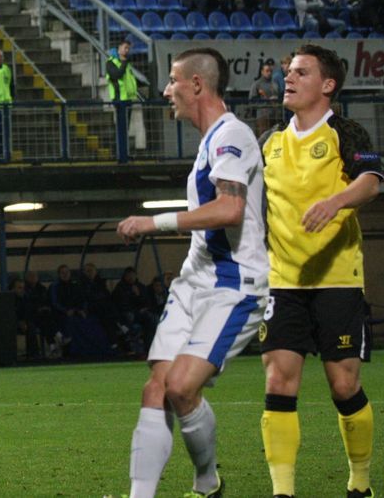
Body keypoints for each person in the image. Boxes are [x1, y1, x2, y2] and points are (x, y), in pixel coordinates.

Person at [117, 47, 269, 498]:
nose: (166, 91)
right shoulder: (210, 140)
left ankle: (207, 484)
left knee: (182, 387)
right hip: (194, 280)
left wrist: (154, 221)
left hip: (232, 284)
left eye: (173, 80)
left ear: (197, 85)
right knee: (157, 389)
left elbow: (230, 208)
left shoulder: (232, 135)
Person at [259, 44, 384, 498]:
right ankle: (283, 491)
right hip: (282, 282)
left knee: (344, 384)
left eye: (301, 72)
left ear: (327, 85)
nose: (287, 79)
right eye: (288, 72)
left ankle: (360, 483)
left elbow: (371, 181)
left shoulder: (345, 132)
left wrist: (334, 201)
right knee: (278, 379)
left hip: (337, 280)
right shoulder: (269, 141)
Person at [106, 38, 145, 151]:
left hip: (128, 98)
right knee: (120, 127)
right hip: (119, 99)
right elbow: (117, 75)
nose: (127, 51)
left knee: (125, 127)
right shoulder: (111, 62)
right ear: (118, 49)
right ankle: (118, 151)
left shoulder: (126, 63)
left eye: (128, 48)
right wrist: (123, 63)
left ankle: (123, 151)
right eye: (125, 48)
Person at [249, 62, 280, 138]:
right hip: (262, 115)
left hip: (274, 115)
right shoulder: (257, 84)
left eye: (270, 71)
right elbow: (252, 100)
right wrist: (264, 101)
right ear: (262, 72)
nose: (269, 73)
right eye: (267, 71)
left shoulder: (274, 84)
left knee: (274, 137)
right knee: (263, 138)